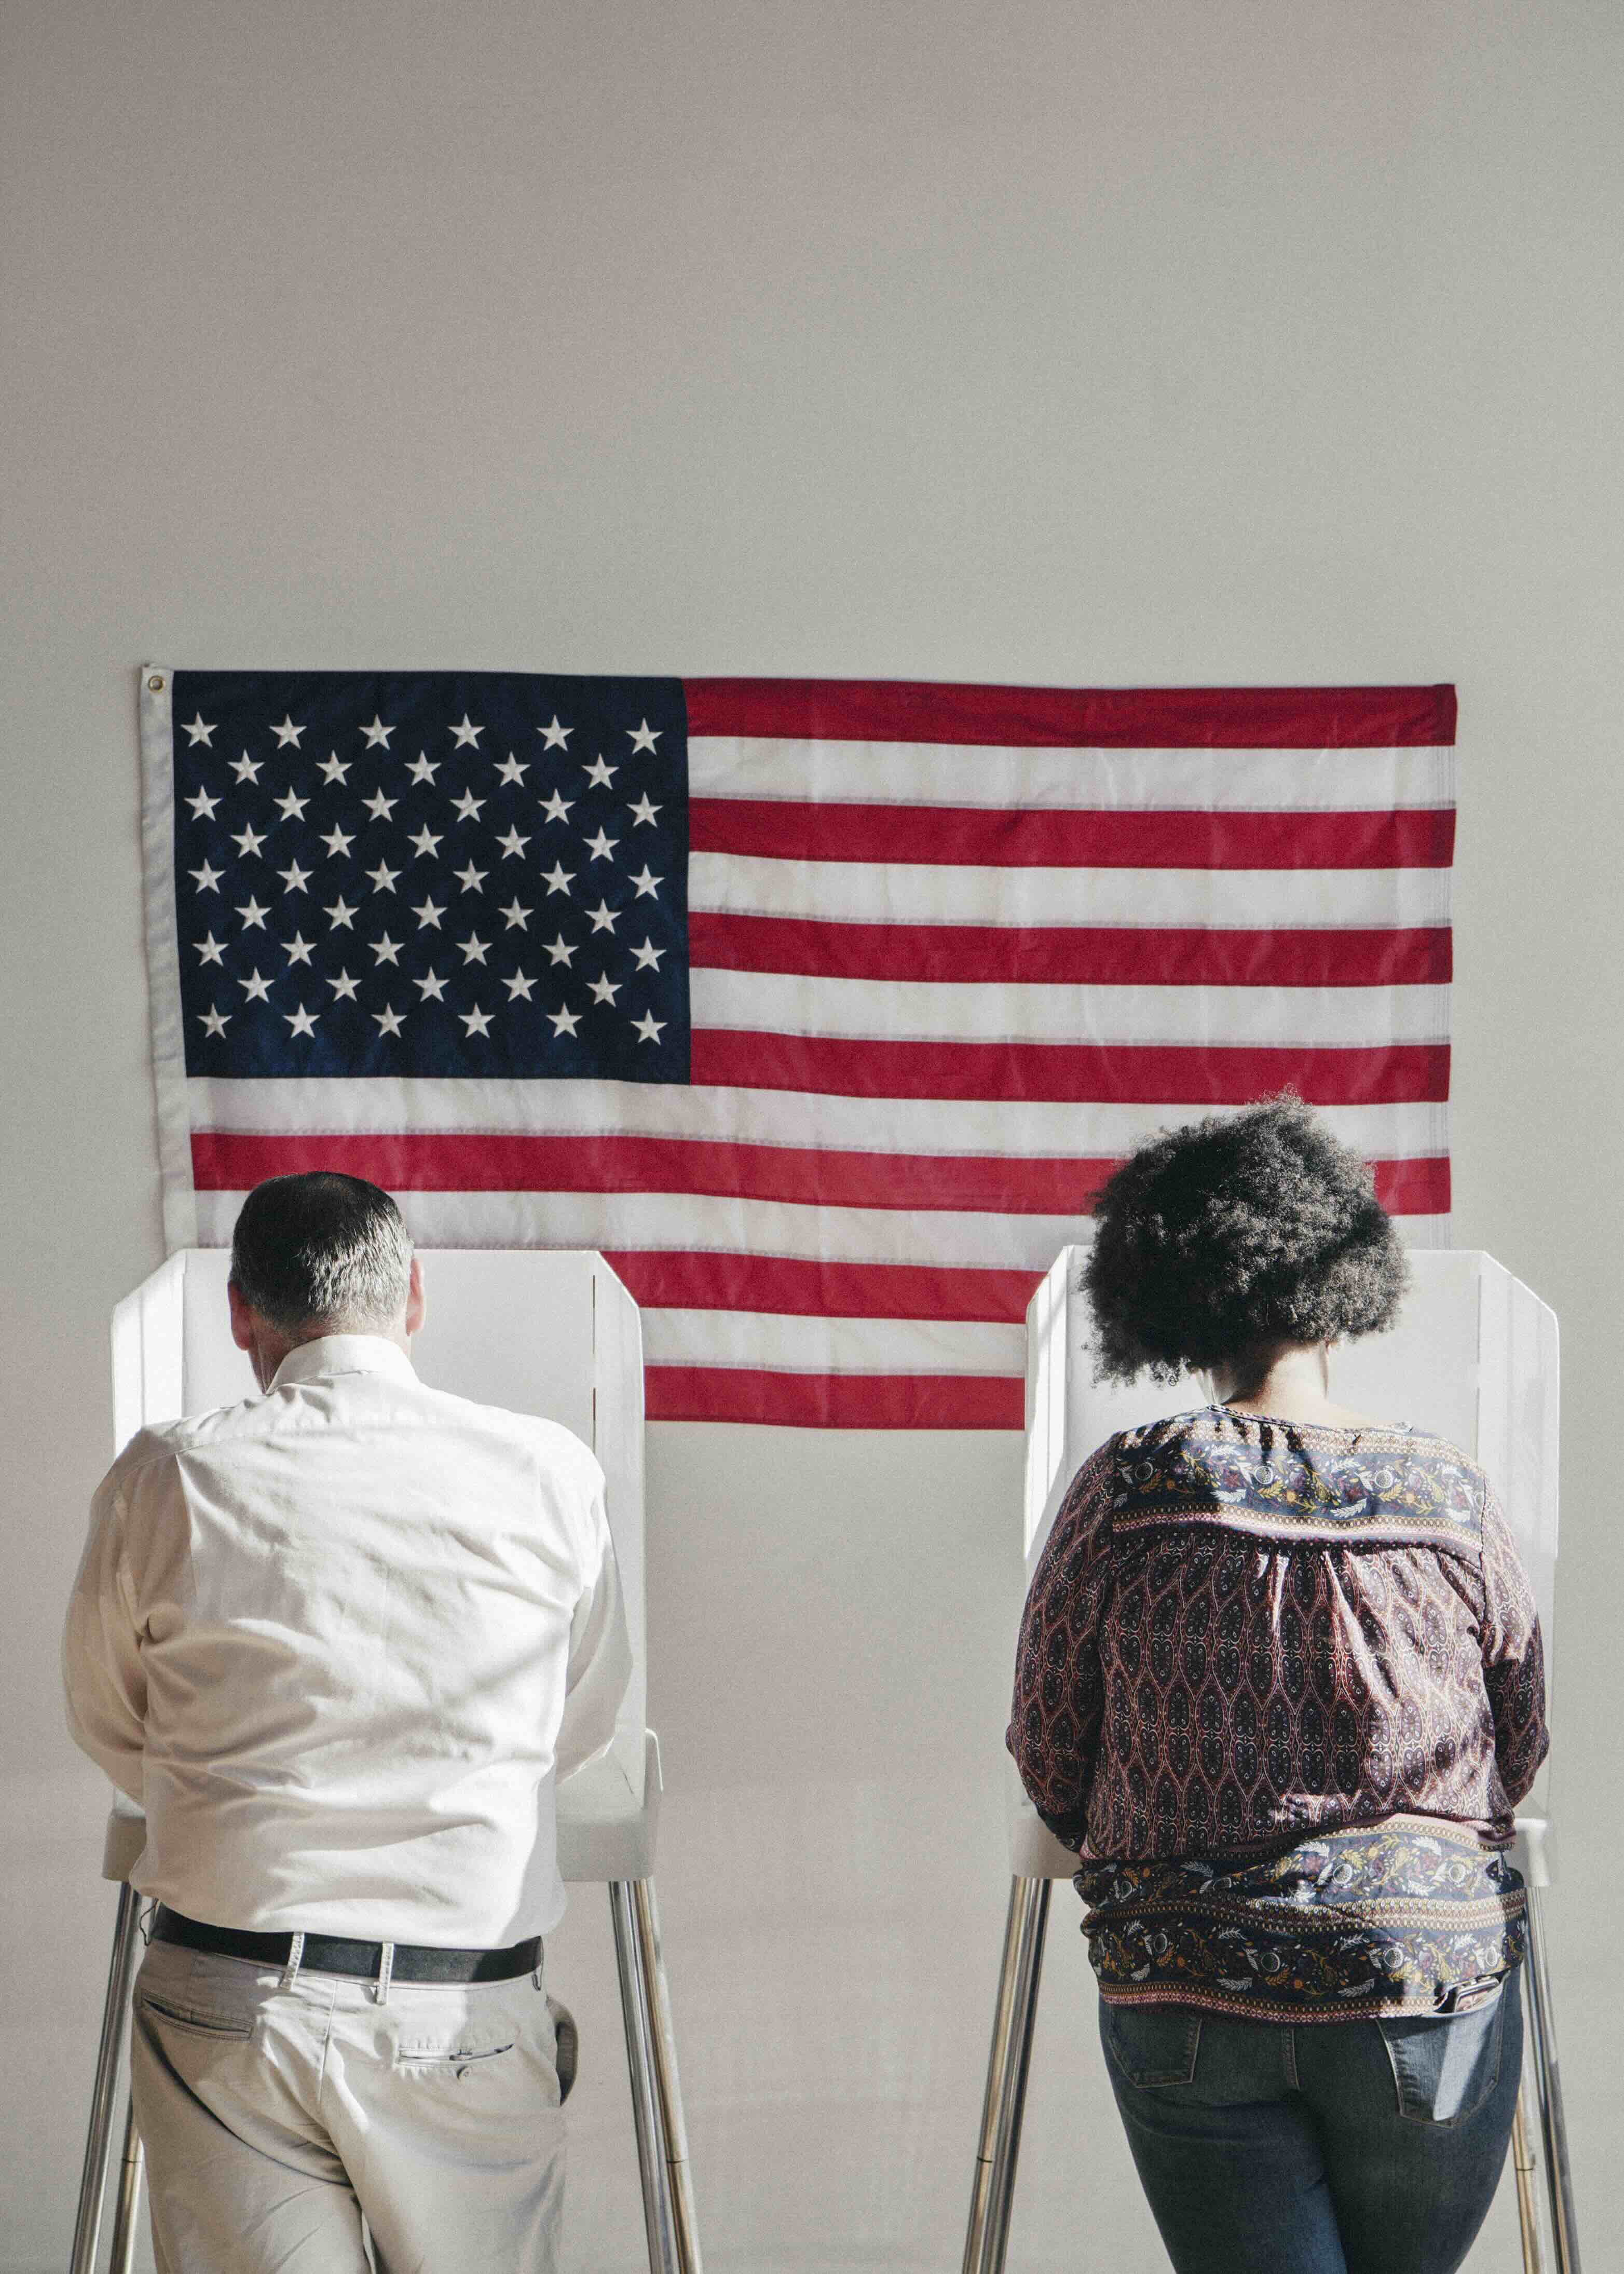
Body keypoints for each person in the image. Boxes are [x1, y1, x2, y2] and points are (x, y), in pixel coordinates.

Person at [1007, 1096, 1548, 2274]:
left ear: (1171, 1292)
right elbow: (1518, 1739)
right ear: (1342, 1281)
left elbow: (1047, 1742)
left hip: (1186, 1980)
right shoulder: (1449, 1492)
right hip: (1416, 1976)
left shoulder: (1128, 1484)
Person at [63, 1171, 631, 2274]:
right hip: (461, 2005)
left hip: (229, 1996)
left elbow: (109, 1722)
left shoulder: (167, 1474)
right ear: (413, 1296)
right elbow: (578, 1718)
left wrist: (216, 1785)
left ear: (240, 1313)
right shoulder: (548, 1471)